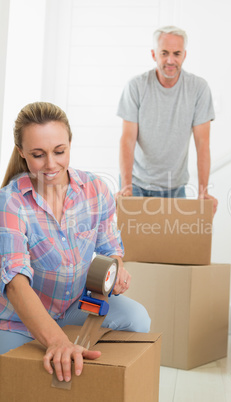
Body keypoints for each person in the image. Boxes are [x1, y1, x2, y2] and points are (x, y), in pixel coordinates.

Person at [0, 102, 150, 382]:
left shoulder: (94, 188)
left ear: (70, 144)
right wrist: (57, 342)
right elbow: (16, 285)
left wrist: (115, 272)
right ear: (22, 153)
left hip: (74, 305)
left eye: (59, 151)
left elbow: (110, 250)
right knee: (23, 377)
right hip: (18, 320)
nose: (51, 164)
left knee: (137, 319)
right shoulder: (10, 202)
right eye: (37, 155)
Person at [117, 25, 218, 214]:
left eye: (176, 53)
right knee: (134, 243)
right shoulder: (136, 86)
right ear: (154, 54)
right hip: (137, 184)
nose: (170, 60)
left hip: (175, 187)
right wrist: (126, 185)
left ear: (184, 55)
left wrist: (203, 191)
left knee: (174, 243)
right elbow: (127, 140)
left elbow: (202, 143)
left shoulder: (199, 88)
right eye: (164, 53)